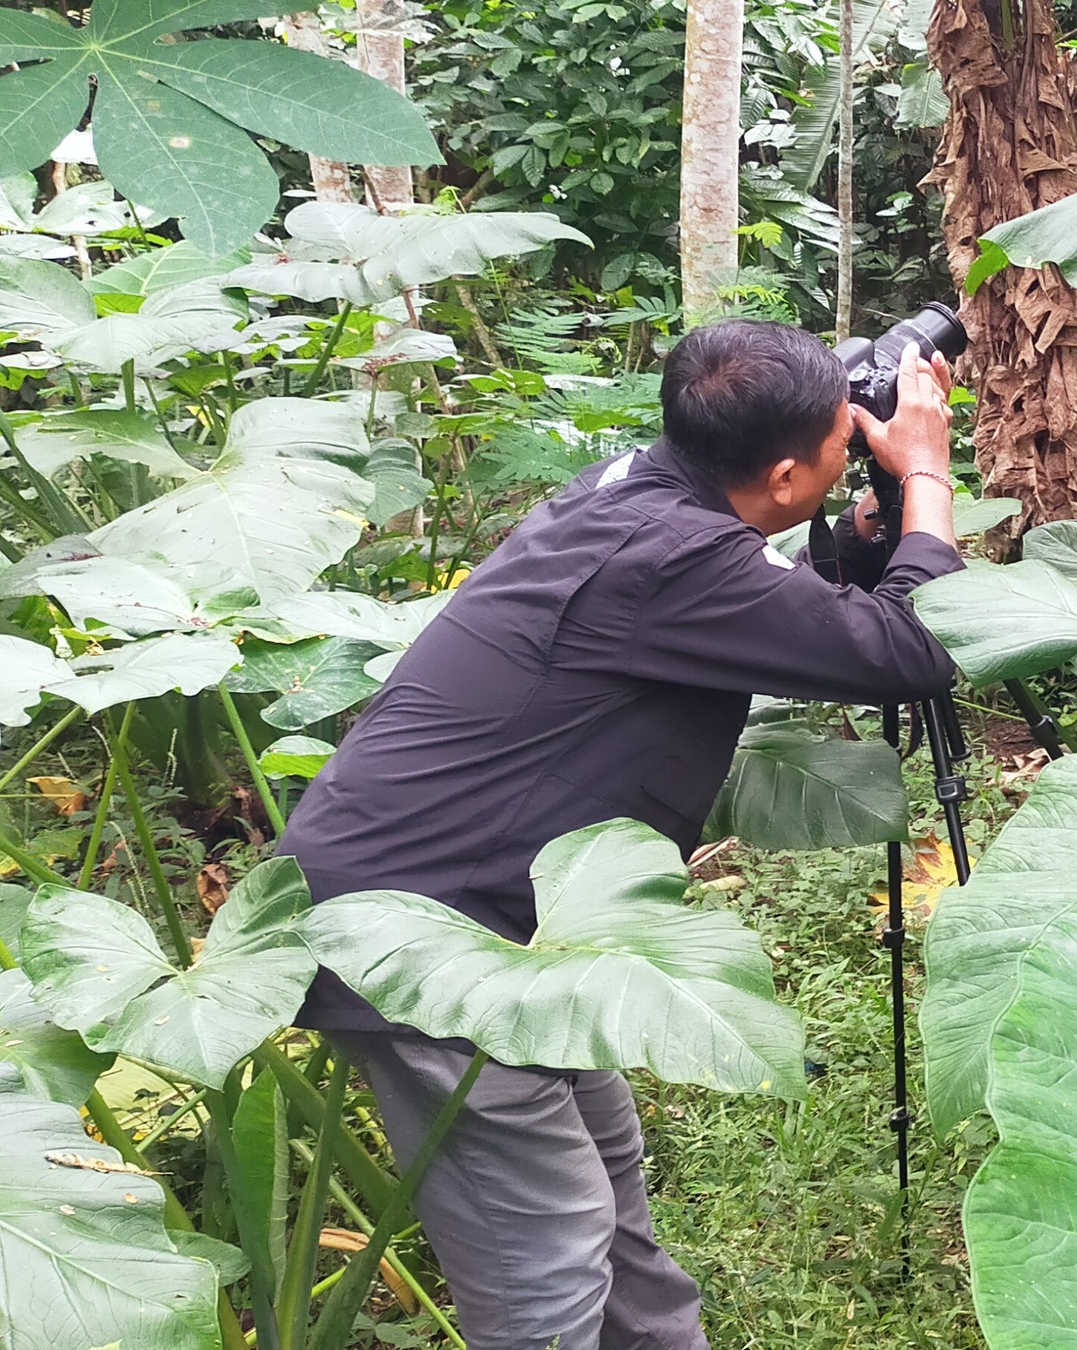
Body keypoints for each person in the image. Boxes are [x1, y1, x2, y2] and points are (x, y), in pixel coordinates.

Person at [279, 319, 964, 1349]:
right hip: (420, 929)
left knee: (607, 1181)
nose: (854, 444)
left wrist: (870, 531)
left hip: (507, 909)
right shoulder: (676, 556)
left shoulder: (634, 489)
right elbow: (915, 649)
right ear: (783, 474)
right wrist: (930, 482)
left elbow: (783, 605)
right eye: (839, 440)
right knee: (546, 1256)